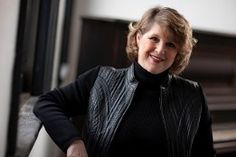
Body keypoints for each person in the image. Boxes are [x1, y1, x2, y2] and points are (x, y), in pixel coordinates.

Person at [34, 6, 216, 157]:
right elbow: (46, 103)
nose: (160, 50)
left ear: (178, 53)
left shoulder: (193, 95)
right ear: (138, 38)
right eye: (154, 38)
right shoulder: (100, 79)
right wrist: (73, 142)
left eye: (171, 45)